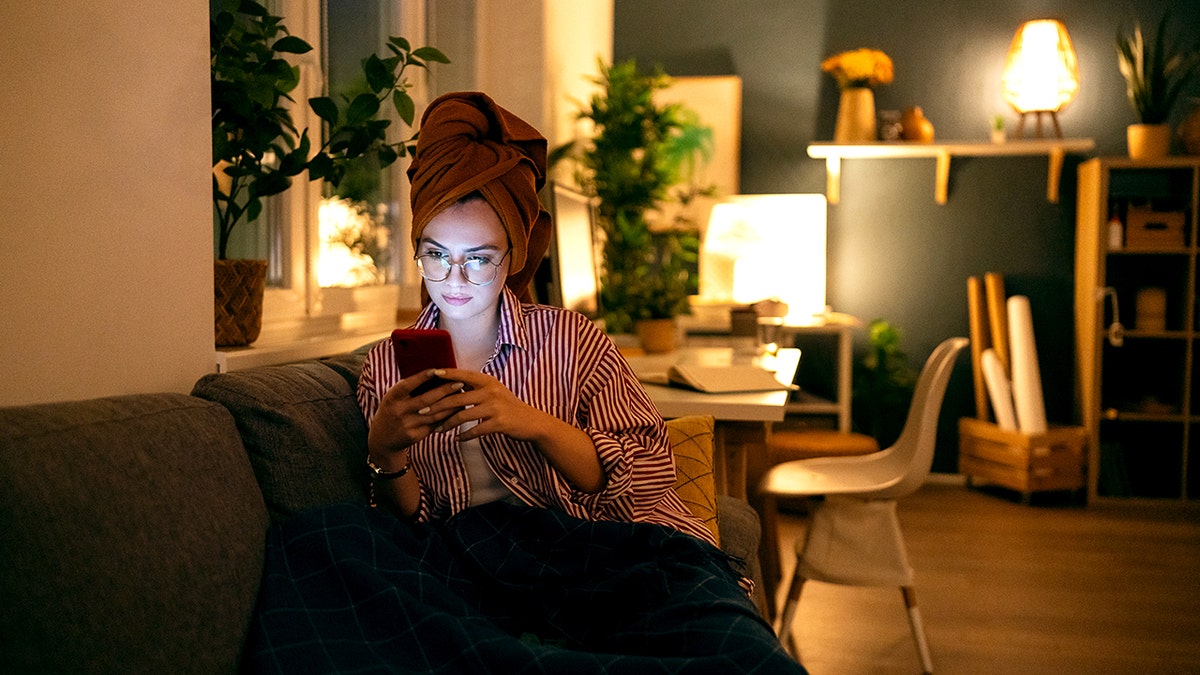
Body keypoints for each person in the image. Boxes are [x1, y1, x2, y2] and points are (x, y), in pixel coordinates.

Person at [244, 91, 806, 674]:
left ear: (513, 255)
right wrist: (386, 452)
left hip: (581, 552)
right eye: (436, 256)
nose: (453, 279)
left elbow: (645, 476)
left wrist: (531, 422)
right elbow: (410, 522)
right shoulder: (388, 366)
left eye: (478, 259)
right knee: (317, 540)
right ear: (417, 252)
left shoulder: (573, 340)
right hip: (463, 561)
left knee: (727, 638)